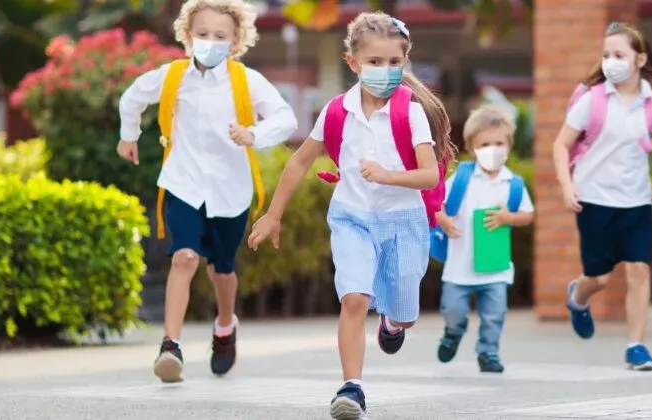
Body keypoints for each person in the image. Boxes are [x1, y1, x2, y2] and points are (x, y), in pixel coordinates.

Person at [247, 11, 454, 420]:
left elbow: (430, 174)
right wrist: (273, 214)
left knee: (404, 314)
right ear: (353, 63)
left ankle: (393, 324)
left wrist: (388, 175)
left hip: (403, 222)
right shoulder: (337, 111)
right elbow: (300, 162)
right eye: (375, 63)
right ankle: (352, 389)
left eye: (394, 63)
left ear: (404, 62)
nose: (385, 71)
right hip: (352, 217)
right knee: (354, 298)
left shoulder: (409, 112)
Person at [116, 0, 298, 383]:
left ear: (235, 42)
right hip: (183, 183)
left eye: (220, 36)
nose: (210, 42)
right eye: (202, 35)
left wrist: (254, 135)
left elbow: (286, 118)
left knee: (221, 269)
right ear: (188, 36)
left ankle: (225, 326)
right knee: (184, 258)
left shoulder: (246, 80)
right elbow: (133, 96)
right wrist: (127, 136)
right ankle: (171, 346)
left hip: (230, 191)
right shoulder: (172, 76)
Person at [551, 22, 652, 371]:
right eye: (607, 55)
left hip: (636, 202)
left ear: (639, 59)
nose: (611, 61)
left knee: (639, 270)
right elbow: (561, 144)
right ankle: (578, 299)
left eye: (619, 54)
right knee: (600, 278)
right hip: (593, 200)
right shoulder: (593, 100)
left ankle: (636, 346)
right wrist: (567, 186)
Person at [435, 105, 534, 373]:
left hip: (496, 266)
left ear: (509, 145)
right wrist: (443, 220)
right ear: (471, 147)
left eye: (499, 143)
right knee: (453, 310)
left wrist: (509, 218)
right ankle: (453, 333)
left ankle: (488, 352)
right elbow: (436, 203)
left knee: (495, 314)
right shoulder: (462, 178)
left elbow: (528, 214)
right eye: (485, 143)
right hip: (459, 265)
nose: (493, 149)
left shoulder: (513, 183)